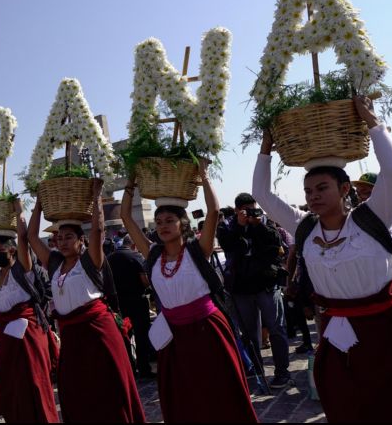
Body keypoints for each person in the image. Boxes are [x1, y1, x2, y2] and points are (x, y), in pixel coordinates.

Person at [253, 95, 392, 422]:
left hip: (389, 331)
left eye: (322, 188)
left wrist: (371, 121)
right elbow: (261, 193)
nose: (313, 196)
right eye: (309, 191)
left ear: (344, 189)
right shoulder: (304, 228)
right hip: (340, 336)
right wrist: (265, 148)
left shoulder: (372, 217)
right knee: (349, 407)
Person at [122, 161, 258, 422]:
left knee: (218, 395)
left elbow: (214, 210)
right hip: (174, 338)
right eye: (159, 221)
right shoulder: (152, 254)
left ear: (182, 224)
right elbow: (127, 218)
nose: (163, 225)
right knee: (185, 399)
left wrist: (203, 174)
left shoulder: (197, 250)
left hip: (208, 332)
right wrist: (131, 182)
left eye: (169, 220)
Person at [29, 178, 146, 423]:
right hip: (71, 336)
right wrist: (39, 202)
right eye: (58, 238)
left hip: (98, 333)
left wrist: (96, 196)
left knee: (109, 391)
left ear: (81, 240)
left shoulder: (90, 261)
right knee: (78, 393)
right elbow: (31, 236)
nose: (62, 242)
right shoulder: (54, 264)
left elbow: (98, 230)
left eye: (68, 237)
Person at [0, 199, 59, 423]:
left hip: (28, 336)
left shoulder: (22, 268)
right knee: (10, 388)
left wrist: (19, 212)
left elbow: (25, 239)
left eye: (1, 249)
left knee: (34, 384)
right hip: (7, 337)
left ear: (12, 250)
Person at [216, 192, 291, 388]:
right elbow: (229, 245)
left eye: (253, 208)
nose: (250, 213)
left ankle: (282, 371)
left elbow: (275, 243)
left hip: (266, 283)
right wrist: (240, 226)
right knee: (250, 333)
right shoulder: (227, 226)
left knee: (276, 328)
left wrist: (257, 224)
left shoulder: (264, 222)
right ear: (236, 210)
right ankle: (256, 369)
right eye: (245, 210)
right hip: (242, 287)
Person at [107, 235, 155, 379]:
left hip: (118, 304)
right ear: (134, 244)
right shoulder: (135, 256)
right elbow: (145, 281)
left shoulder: (109, 258)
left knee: (125, 337)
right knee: (141, 336)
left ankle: (130, 370)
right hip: (137, 302)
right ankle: (144, 368)